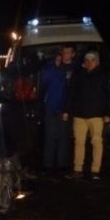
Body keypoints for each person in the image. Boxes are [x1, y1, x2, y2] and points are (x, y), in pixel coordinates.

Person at [62, 50, 110, 180]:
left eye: (92, 60)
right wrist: (67, 110)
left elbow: (109, 96)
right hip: (79, 115)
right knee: (79, 143)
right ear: (84, 62)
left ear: (97, 61)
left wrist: (108, 113)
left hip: (96, 115)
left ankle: (95, 170)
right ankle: (77, 169)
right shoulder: (78, 74)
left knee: (97, 142)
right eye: (87, 60)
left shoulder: (103, 75)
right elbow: (71, 93)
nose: (89, 62)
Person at [40, 45, 77, 177]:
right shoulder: (53, 67)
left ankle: (62, 165)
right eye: (63, 52)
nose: (65, 55)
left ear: (73, 54)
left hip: (65, 109)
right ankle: (48, 165)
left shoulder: (76, 69)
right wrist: (54, 65)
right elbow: (45, 81)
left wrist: (67, 109)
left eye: (68, 52)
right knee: (49, 137)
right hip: (51, 108)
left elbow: (72, 92)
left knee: (63, 139)